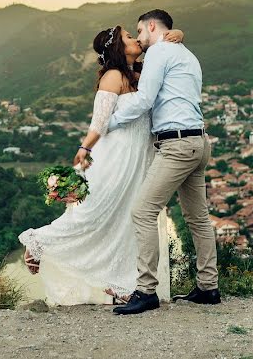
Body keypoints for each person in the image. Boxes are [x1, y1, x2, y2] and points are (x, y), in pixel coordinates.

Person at [17, 25, 183, 305]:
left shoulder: (142, 73)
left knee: (130, 220)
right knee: (96, 211)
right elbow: (100, 121)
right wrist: (85, 148)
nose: (135, 39)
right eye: (129, 37)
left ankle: (124, 284)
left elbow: (166, 55)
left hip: (140, 158)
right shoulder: (113, 76)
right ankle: (41, 242)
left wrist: (177, 34)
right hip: (116, 155)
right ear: (118, 47)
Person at [107, 9, 219, 316]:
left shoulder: (159, 52)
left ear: (152, 26)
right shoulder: (188, 55)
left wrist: (109, 122)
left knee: (143, 211)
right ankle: (209, 287)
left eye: (139, 31)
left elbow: (144, 100)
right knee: (198, 218)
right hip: (199, 142)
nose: (139, 38)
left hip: (177, 146)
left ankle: (146, 291)